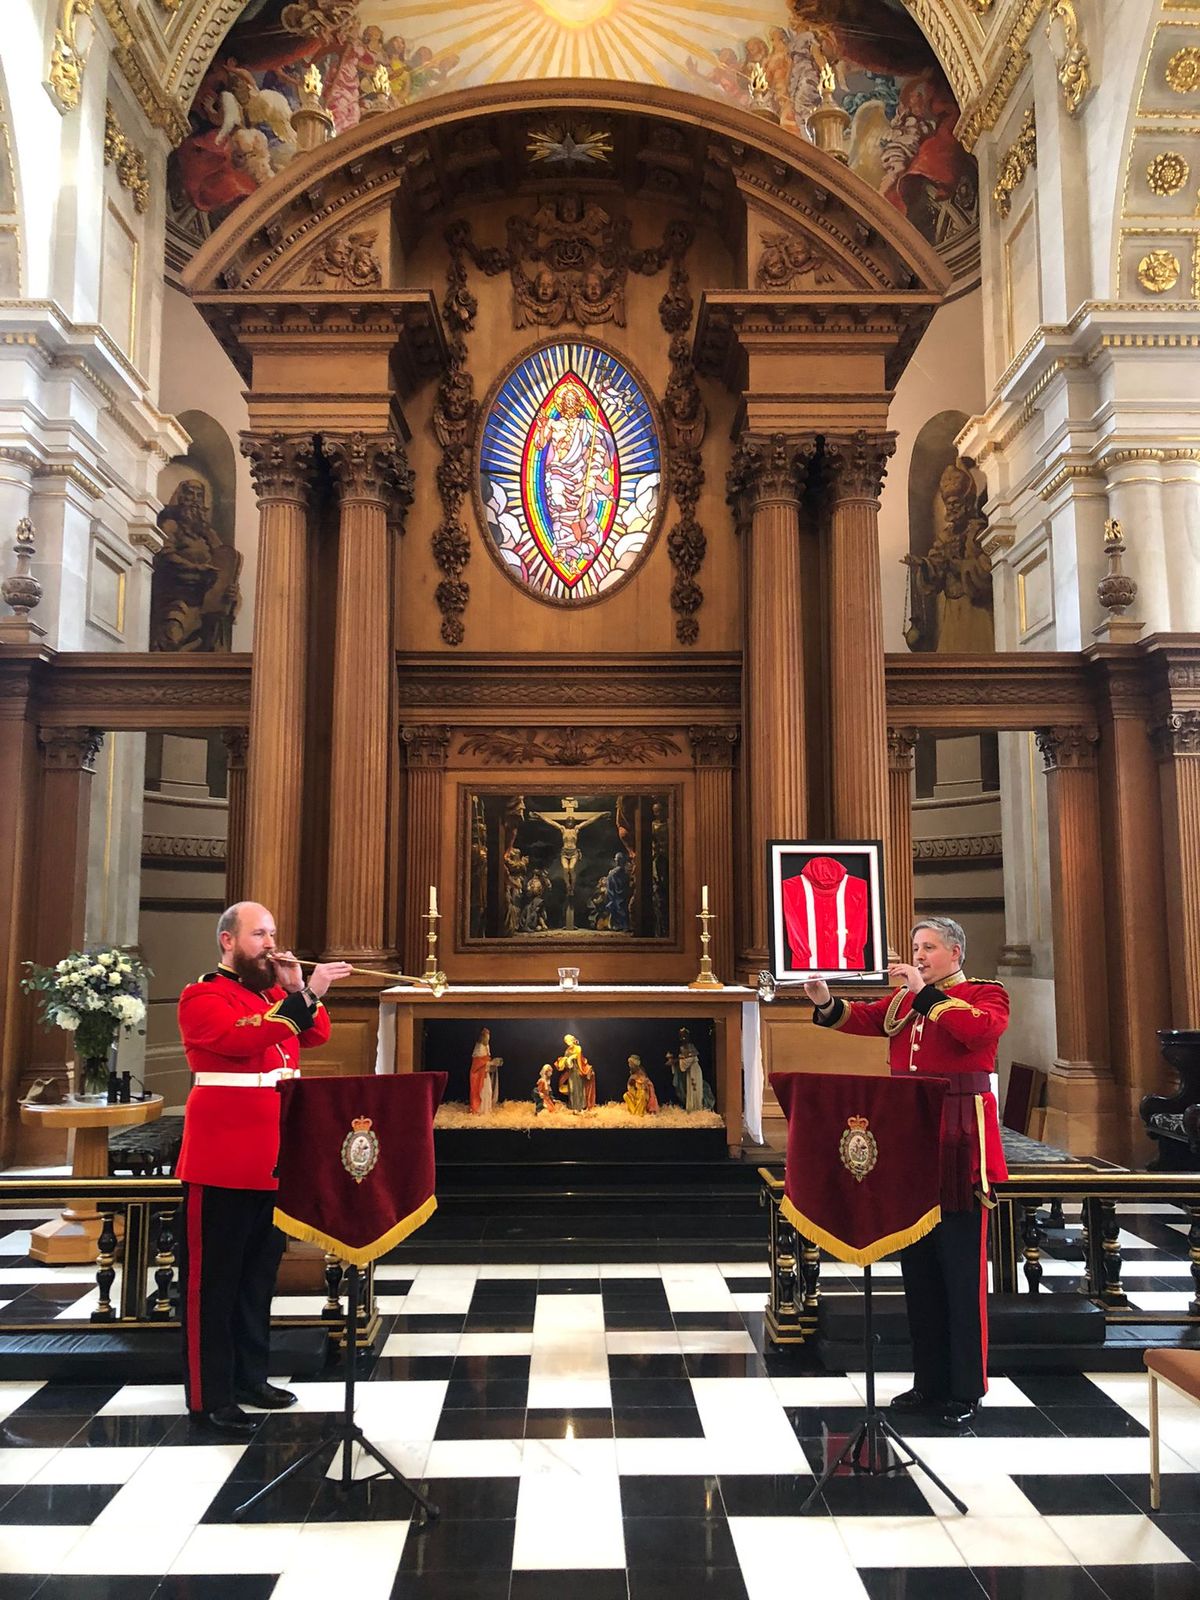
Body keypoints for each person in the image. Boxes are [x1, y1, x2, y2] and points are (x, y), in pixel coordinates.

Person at [805, 916, 1009, 1431]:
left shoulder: (985, 994)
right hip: (912, 1145)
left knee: (961, 1275)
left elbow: (975, 1032)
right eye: (916, 947)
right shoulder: (903, 1001)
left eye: (930, 947)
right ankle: (929, 1382)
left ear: (955, 953)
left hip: (961, 1147)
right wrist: (824, 1000)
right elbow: (863, 1018)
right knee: (919, 1274)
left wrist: (924, 994)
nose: (918, 956)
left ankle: (965, 1388)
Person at [176, 902, 351, 1436]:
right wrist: (307, 994)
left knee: (256, 1280)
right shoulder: (203, 995)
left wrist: (296, 988)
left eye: (273, 933)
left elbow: (315, 1035)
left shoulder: (274, 996)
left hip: (272, 1159)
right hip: (221, 1160)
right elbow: (242, 1038)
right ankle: (210, 1396)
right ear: (228, 941)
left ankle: (251, 1378)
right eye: (258, 934)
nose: (270, 944)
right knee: (212, 1286)